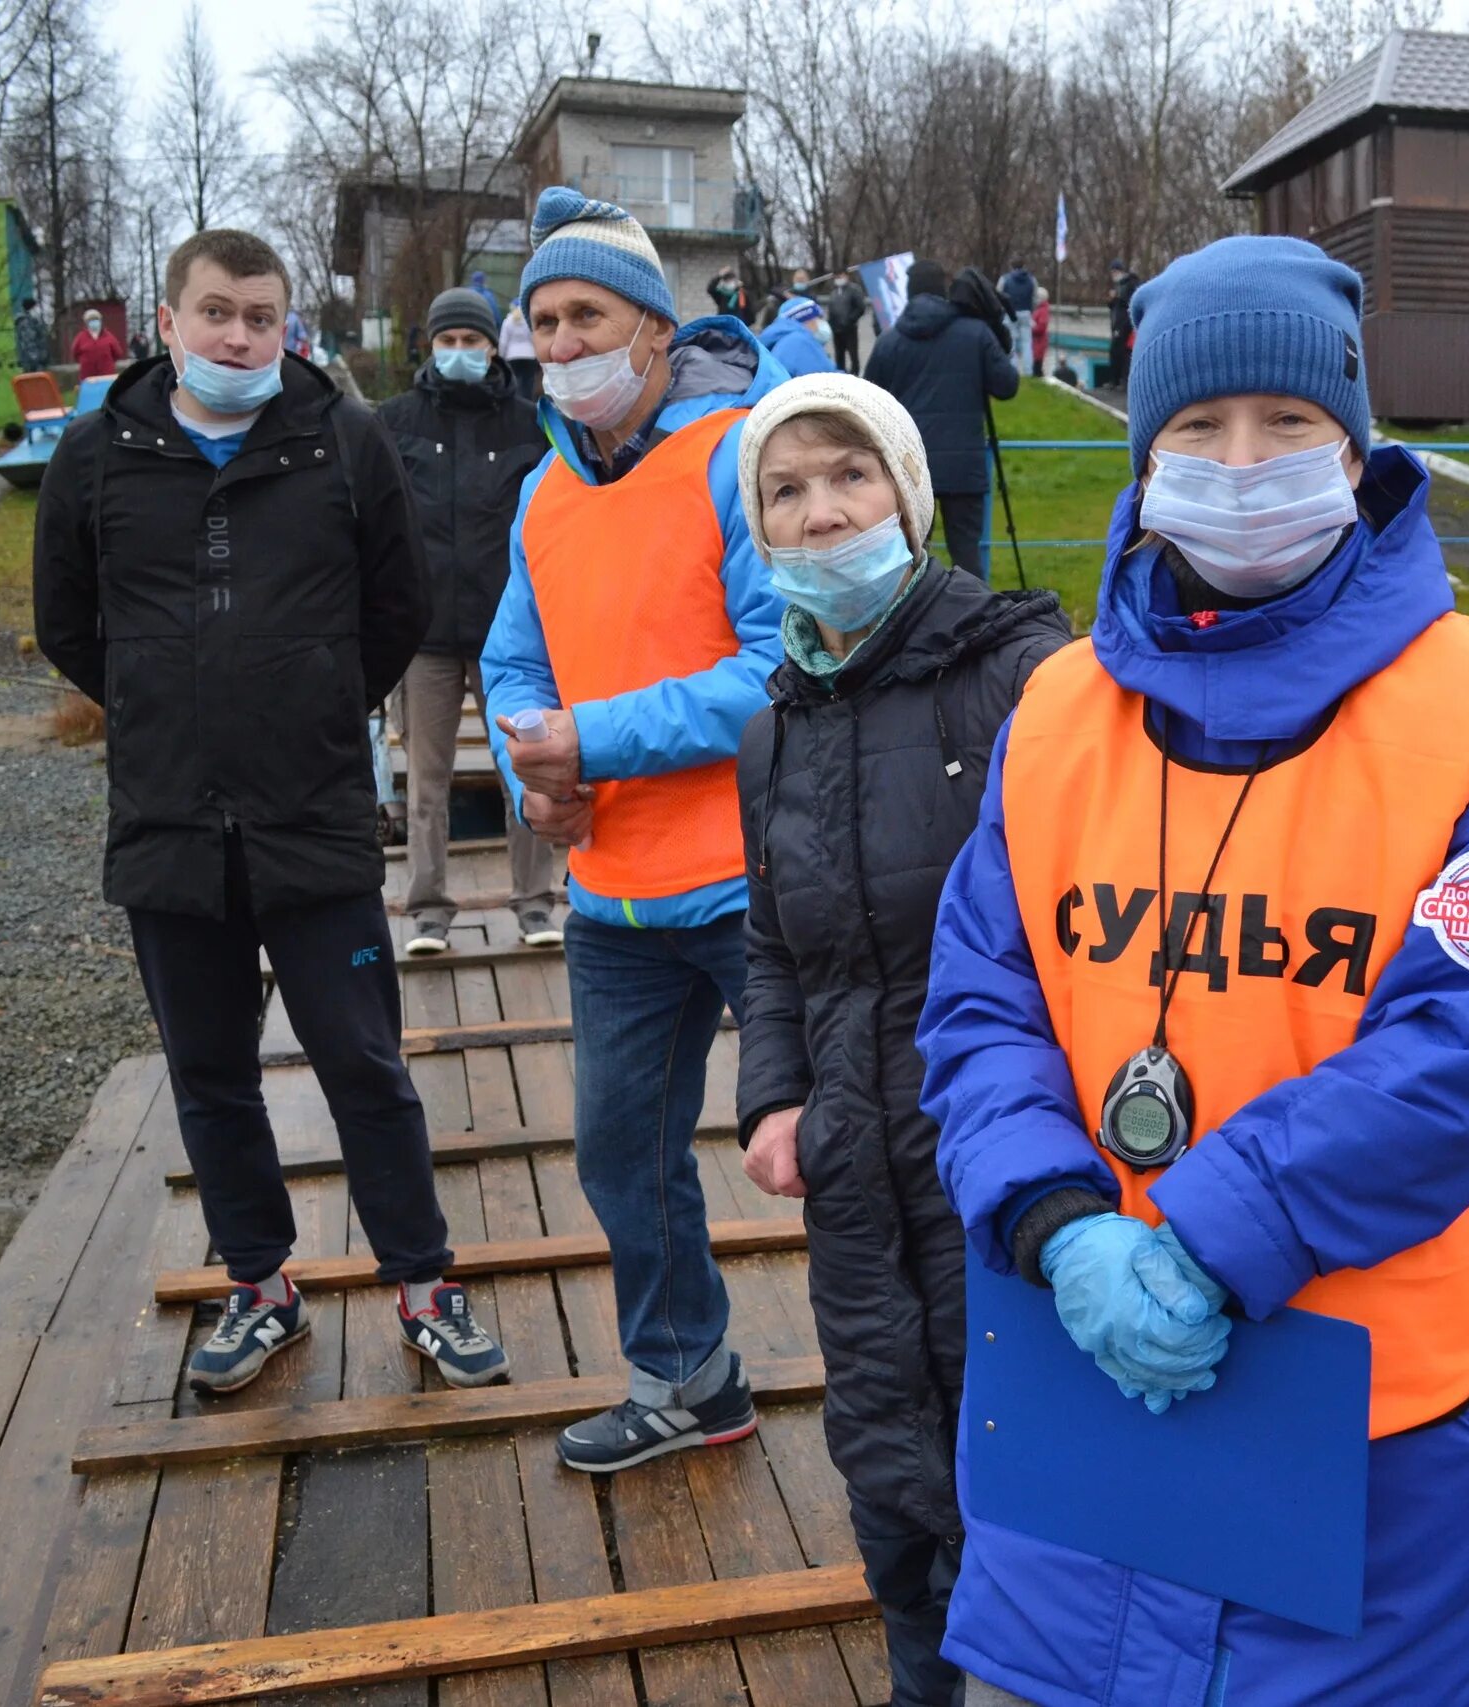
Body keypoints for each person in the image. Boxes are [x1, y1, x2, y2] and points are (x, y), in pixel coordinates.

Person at [916, 234, 1469, 1705]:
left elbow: (1467, 1042)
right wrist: (1053, 1216)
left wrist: (1219, 1233)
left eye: (1287, 425)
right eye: (1197, 428)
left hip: (1381, 1437)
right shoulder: (1055, 708)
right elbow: (983, 998)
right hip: (1082, 1384)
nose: (1241, 460)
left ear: (1354, 448)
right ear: (1144, 452)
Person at [33, 228, 512, 1400]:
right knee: (209, 1074)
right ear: (168, 320)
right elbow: (68, 625)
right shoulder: (96, 456)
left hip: (314, 822)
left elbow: (395, 604)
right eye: (215, 313)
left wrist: (303, 704)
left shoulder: (341, 442)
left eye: (259, 316)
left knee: (364, 1063)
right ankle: (261, 1286)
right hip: (168, 830)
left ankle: (422, 1281)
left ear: (287, 325)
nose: (237, 335)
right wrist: (170, 706)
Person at [734, 373, 1069, 1707]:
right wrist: (775, 1094)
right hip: (855, 1171)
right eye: (787, 489)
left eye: (849, 476)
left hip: (1006, 1161)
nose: (821, 516)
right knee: (893, 1484)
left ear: (912, 496)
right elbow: (772, 941)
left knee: (1034, 1487)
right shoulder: (775, 726)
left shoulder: (1024, 680)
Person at [479, 187, 787, 1472]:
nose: (558, 344)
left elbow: (777, 666)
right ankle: (686, 1376)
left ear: (653, 330)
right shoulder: (543, 492)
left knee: (846, 1149)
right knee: (619, 1153)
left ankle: (936, 1392)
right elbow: (512, 666)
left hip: (753, 884)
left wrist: (589, 741)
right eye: (541, 320)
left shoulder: (737, 454)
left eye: (585, 315)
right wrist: (525, 770)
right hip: (613, 898)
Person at [377, 286, 560, 956]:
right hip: (424, 634)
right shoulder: (394, 421)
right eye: (447, 341)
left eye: (471, 340)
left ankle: (536, 903)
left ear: (492, 345)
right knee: (428, 781)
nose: (459, 352)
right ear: (430, 345)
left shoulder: (527, 423)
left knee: (527, 768)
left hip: (506, 635)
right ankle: (428, 911)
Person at [862, 260, 1017, 581]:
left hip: (910, 467)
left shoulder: (890, 341)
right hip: (965, 465)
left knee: (911, 554)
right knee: (967, 555)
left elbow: (868, 403)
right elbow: (1007, 385)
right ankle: (975, 625)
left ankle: (910, 623)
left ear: (909, 291)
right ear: (942, 290)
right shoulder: (975, 333)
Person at [763, 293, 835, 375]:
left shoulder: (787, 340)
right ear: (806, 320)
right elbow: (822, 380)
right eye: (818, 318)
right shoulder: (801, 342)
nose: (821, 323)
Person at [997, 259, 1037, 377]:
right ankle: (1028, 371)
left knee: (1011, 342)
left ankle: (1012, 370)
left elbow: (998, 295)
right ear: (1024, 266)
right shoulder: (1032, 279)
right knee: (1027, 343)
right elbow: (1035, 297)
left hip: (1010, 313)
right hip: (1026, 313)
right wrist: (1031, 310)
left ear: (1011, 266)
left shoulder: (1004, 279)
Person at [1104, 258, 1140, 389]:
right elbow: (1113, 306)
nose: (1113, 274)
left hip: (1124, 323)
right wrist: (1111, 300)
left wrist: (1117, 297)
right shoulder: (1118, 285)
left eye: (1115, 271)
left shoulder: (1129, 284)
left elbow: (1128, 302)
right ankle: (1115, 380)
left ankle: (1120, 380)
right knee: (1116, 351)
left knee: (1121, 352)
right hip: (1117, 322)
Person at [828, 269, 869, 375]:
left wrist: (850, 320)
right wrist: (830, 323)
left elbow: (860, 308)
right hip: (836, 329)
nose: (838, 279)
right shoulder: (834, 292)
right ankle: (841, 374)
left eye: (840, 276)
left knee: (853, 355)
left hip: (849, 328)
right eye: (836, 277)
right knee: (839, 355)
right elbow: (831, 309)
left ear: (846, 276)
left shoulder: (854, 290)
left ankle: (855, 374)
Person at [70, 308, 125, 380]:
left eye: (96, 320)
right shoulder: (81, 337)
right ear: (86, 323)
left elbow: (118, 353)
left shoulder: (108, 336)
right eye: (90, 320)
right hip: (88, 376)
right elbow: (75, 353)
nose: (94, 322)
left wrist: (106, 361)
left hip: (107, 375)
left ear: (100, 321)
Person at [14, 296, 50, 374]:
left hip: (30, 362)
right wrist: (39, 360)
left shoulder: (26, 322)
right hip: (34, 364)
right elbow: (30, 343)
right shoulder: (28, 323)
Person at [1031, 285, 1051, 381]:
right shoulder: (1041, 310)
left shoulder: (1043, 311)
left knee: (1037, 366)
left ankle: (1039, 380)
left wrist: (1031, 328)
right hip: (1037, 342)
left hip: (1039, 342)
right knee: (1036, 365)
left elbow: (1041, 327)